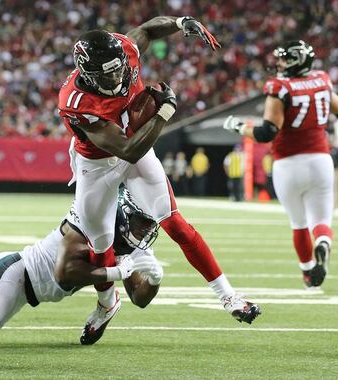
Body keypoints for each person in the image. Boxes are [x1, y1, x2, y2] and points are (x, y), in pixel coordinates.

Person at [57, 16, 259, 343]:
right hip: (99, 163)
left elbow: (149, 29)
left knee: (175, 223)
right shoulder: (75, 101)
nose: (118, 75)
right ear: (88, 74)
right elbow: (127, 151)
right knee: (100, 246)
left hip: (137, 143)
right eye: (108, 73)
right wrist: (164, 113)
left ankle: (229, 296)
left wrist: (181, 22)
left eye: (119, 67)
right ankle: (107, 305)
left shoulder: (125, 50)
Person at [0, 186, 261, 348]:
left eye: (151, 225)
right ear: (122, 210)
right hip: (16, 273)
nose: (144, 231)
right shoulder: (92, 216)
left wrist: (153, 280)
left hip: (30, 295)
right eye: (140, 222)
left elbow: (141, 298)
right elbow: (65, 273)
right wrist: (118, 272)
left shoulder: (135, 238)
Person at [223, 40, 338, 288]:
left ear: (296, 61)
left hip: (288, 164)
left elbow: (266, 132)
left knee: (299, 224)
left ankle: (308, 273)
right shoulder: (322, 80)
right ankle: (324, 243)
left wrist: (239, 126)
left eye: (285, 59)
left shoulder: (280, 87)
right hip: (320, 161)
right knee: (322, 222)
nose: (280, 63)